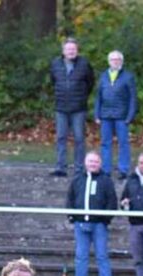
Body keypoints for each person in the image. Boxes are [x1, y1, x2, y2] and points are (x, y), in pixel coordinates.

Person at [65, 151, 118, 276]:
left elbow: (112, 201)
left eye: (95, 162)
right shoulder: (77, 180)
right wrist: (72, 217)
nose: (93, 164)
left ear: (100, 164)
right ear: (85, 162)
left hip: (99, 224)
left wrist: (105, 219)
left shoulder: (106, 181)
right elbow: (70, 199)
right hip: (80, 223)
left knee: (102, 255)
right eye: (90, 161)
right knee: (81, 255)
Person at [49, 38, 95, 177]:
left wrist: (81, 97)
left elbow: (90, 82)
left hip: (78, 108)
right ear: (63, 51)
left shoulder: (84, 64)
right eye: (68, 49)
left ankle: (79, 168)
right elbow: (53, 81)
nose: (71, 51)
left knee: (79, 138)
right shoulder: (55, 64)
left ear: (77, 50)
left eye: (73, 49)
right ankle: (60, 167)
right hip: (61, 107)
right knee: (61, 137)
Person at [94, 50, 138, 180]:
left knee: (123, 143)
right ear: (108, 61)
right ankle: (105, 170)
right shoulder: (103, 76)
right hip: (105, 115)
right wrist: (97, 114)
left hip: (122, 116)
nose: (115, 61)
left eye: (118, 59)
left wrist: (130, 116)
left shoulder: (128, 77)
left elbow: (133, 98)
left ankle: (123, 169)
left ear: (122, 61)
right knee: (105, 143)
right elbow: (98, 97)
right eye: (113, 59)